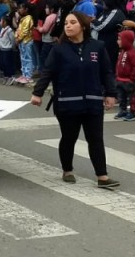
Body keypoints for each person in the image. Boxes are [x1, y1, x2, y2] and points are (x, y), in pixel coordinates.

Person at [30, 12, 119, 189]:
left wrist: (110, 93)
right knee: (69, 137)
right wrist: (37, 93)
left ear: (83, 26)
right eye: (66, 24)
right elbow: (47, 71)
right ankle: (67, 170)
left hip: (93, 102)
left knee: (95, 139)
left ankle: (102, 176)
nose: (68, 26)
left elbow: (107, 72)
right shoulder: (59, 49)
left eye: (73, 23)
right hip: (67, 102)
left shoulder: (98, 47)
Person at [113, 30, 135, 121]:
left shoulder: (132, 52)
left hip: (128, 80)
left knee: (131, 97)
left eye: (120, 39)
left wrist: (132, 78)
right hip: (120, 79)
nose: (117, 41)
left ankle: (132, 112)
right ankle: (122, 110)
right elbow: (118, 64)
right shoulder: (122, 51)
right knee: (121, 97)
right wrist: (117, 75)